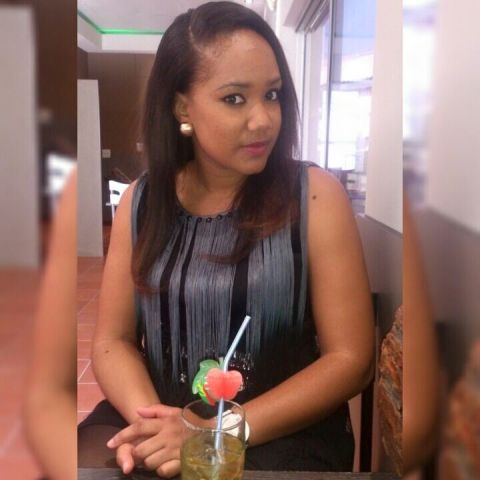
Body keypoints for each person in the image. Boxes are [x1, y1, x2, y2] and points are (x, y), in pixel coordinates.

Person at [78, 2, 374, 477]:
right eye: (235, 98)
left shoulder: (314, 197)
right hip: (161, 407)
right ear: (182, 107)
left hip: (279, 424)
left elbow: (352, 359)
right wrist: (157, 425)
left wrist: (215, 430)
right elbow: (113, 341)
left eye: (272, 94)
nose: (264, 119)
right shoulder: (142, 202)